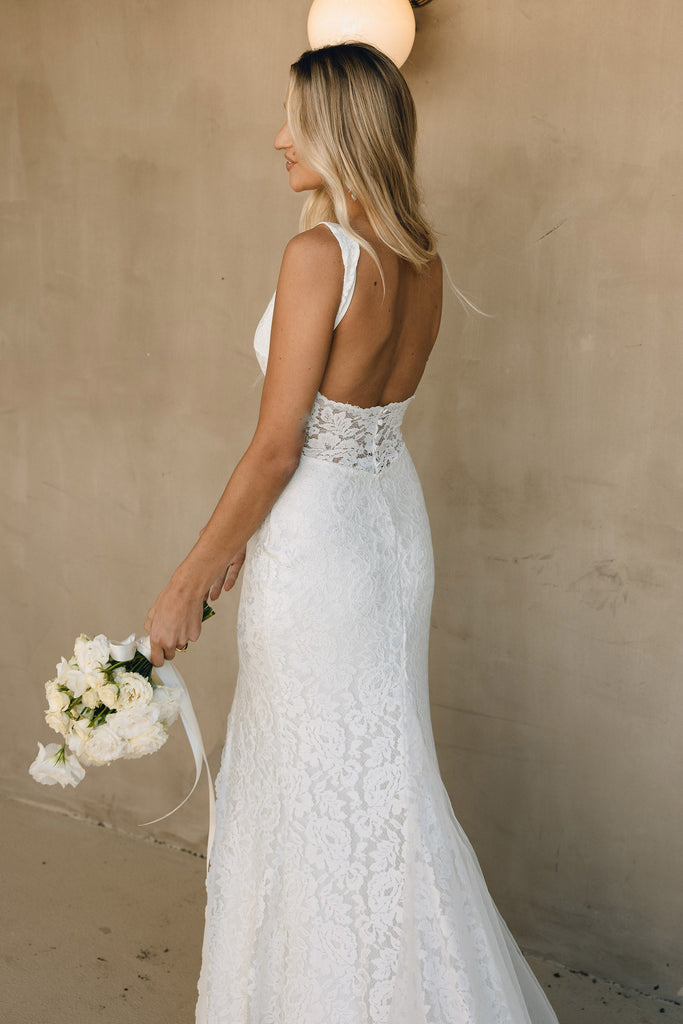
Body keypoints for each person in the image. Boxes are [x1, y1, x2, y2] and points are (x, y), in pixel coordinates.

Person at [145, 42, 559, 1024]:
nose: (278, 138)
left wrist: (186, 581)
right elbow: (342, 427)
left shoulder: (318, 255)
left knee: (314, 782)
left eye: (296, 119)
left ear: (341, 130)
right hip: (386, 529)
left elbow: (278, 449)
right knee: (379, 777)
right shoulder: (420, 259)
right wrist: (242, 539)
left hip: (321, 539)